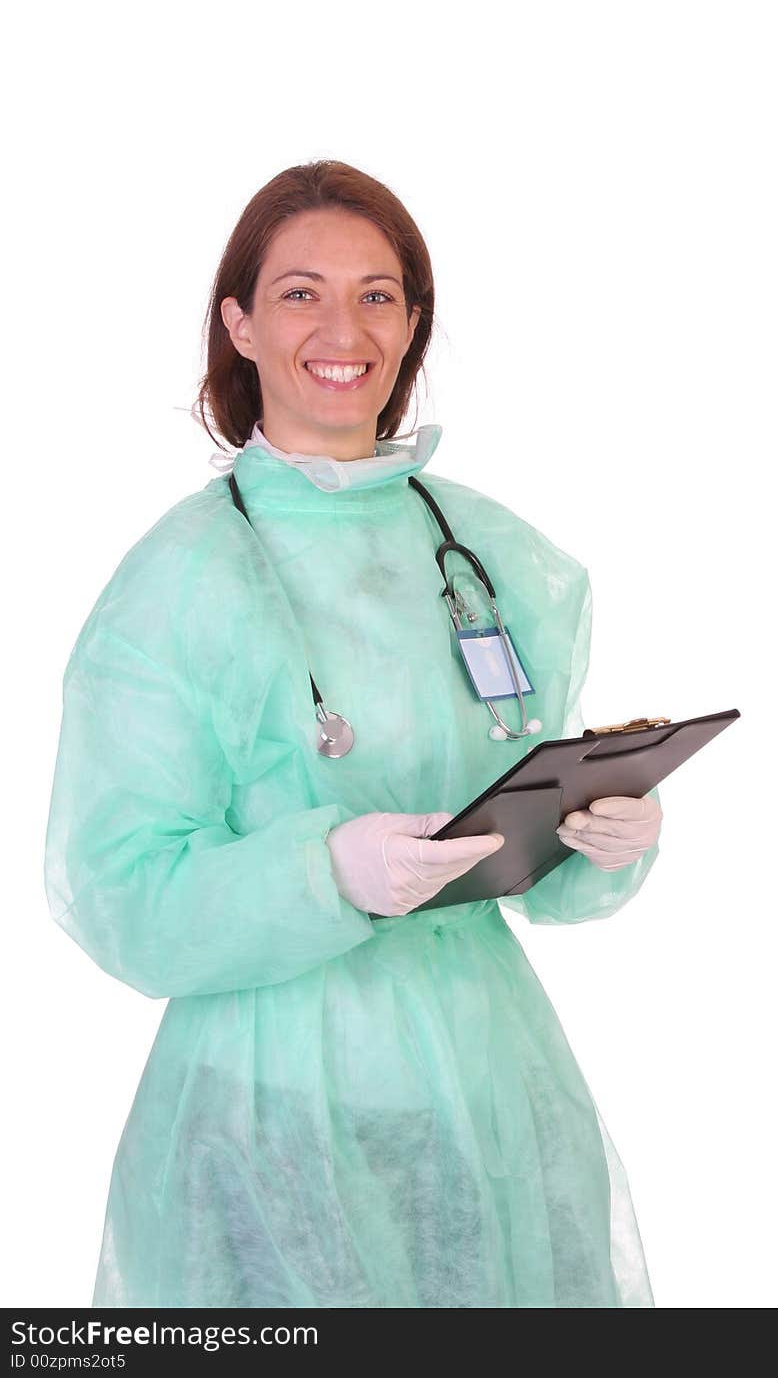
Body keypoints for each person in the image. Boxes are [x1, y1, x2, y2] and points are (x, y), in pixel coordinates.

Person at [43, 160, 663, 1309]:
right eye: (298, 294)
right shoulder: (180, 580)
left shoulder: (492, 555)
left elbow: (518, 851)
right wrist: (322, 873)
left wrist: (596, 836)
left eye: (379, 295)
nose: (344, 329)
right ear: (236, 324)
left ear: (414, 321)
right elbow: (119, 891)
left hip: (490, 1097)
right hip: (263, 1114)